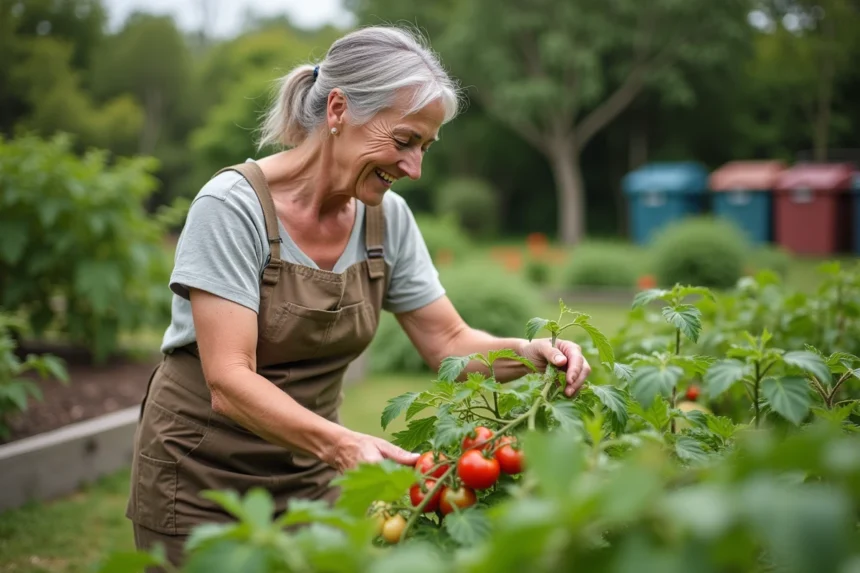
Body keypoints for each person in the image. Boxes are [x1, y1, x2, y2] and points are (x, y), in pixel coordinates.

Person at [125, 25, 591, 565]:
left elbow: (448, 341)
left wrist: (530, 354)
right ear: (339, 109)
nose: (415, 168)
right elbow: (229, 379)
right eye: (404, 141)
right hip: (201, 482)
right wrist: (343, 444)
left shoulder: (386, 220)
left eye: (425, 147)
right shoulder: (233, 206)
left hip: (312, 481)